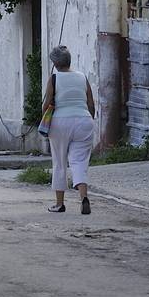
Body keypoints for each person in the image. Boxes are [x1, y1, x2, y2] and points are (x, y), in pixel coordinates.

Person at [43, 45, 97, 214]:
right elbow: (90, 103)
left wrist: (44, 119)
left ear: (54, 63)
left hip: (60, 122)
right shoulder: (82, 77)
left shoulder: (54, 78)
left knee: (60, 162)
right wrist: (89, 119)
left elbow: (46, 104)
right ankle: (84, 197)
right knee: (79, 162)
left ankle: (60, 204)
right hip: (84, 121)